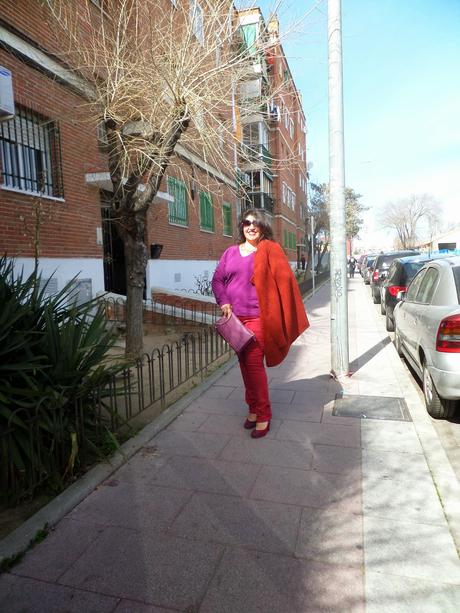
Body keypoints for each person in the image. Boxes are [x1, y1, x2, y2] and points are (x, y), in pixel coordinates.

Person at [212, 209, 309, 439]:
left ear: (263, 227)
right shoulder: (230, 253)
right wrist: (224, 301)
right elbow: (217, 280)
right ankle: (253, 409)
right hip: (235, 319)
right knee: (244, 365)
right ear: (241, 226)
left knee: (254, 366)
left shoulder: (269, 250)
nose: (251, 227)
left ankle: (264, 414)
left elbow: (285, 280)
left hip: (257, 318)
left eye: (256, 223)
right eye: (247, 222)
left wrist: (264, 278)